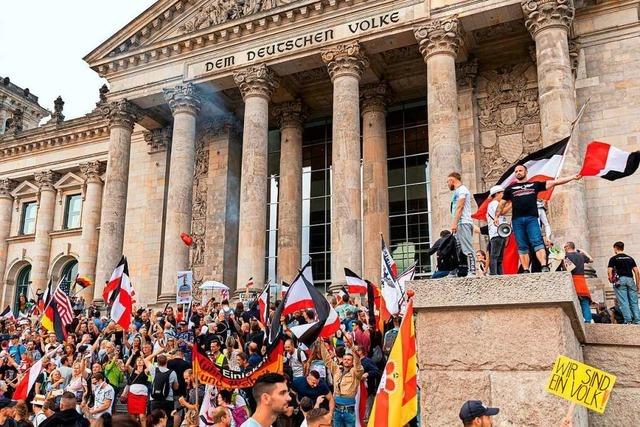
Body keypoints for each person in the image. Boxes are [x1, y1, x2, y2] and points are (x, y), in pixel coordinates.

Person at [494, 164, 580, 273]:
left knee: (537, 243)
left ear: (526, 172)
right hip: (517, 221)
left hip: (532, 219)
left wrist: (572, 177)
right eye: (516, 172)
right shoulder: (510, 189)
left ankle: (544, 266)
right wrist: (497, 216)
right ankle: (525, 269)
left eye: (520, 170)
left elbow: (555, 182)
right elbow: (501, 204)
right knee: (522, 246)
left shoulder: (534, 185)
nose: (518, 173)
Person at [320, 337, 363, 427]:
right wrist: (321, 345)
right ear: (342, 360)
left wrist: (354, 352)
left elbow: (358, 366)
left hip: (349, 410)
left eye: (349, 360)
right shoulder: (337, 369)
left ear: (352, 362)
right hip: (337, 410)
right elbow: (327, 360)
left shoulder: (356, 373)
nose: (346, 361)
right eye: (345, 359)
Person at [447, 172, 475, 271]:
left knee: (467, 248)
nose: (448, 184)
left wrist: (454, 223)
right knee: (456, 248)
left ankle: (473, 270)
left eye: (448, 181)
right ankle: (455, 271)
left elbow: (460, 207)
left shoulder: (462, 190)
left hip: (463, 222)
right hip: (459, 223)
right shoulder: (457, 191)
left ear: (452, 180)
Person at [607, 241, 640, 324]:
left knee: (623, 301)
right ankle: (637, 320)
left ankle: (628, 320)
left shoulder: (613, 259)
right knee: (634, 302)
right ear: (623, 248)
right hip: (630, 280)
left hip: (620, 281)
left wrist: (611, 279)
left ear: (615, 248)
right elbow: (636, 271)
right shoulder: (630, 258)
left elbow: (609, 270)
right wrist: (638, 283)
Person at [563, 242, 594, 323]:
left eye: (564, 247)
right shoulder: (580, 255)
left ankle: (575, 321)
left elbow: (567, 269)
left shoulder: (565, 256)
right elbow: (591, 259)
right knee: (584, 301)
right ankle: (588, 320)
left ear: (567, 247)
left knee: (573, 302)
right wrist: (583, 251)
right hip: (581, 280)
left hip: (572, 280)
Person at [148, 354, 179, 427]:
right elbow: (176, 387)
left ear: (157, 362)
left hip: (154, 399)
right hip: (167, 400)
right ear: (166, 362)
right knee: (168, 419)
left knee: (155, 420)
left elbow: (146, 359)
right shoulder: (172, 372)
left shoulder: (154, 369)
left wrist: (157, 352)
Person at [485, 185, 509, 275]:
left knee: (499, 258)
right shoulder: (494, 204)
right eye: (502, 193)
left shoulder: (494, 204)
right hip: (496, 233)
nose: (503, 195)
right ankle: (494, 274)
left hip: (500, 233)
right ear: (497, 194)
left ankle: (499, 275)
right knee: (495, 256)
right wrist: (511, 205)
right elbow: (501, 212)